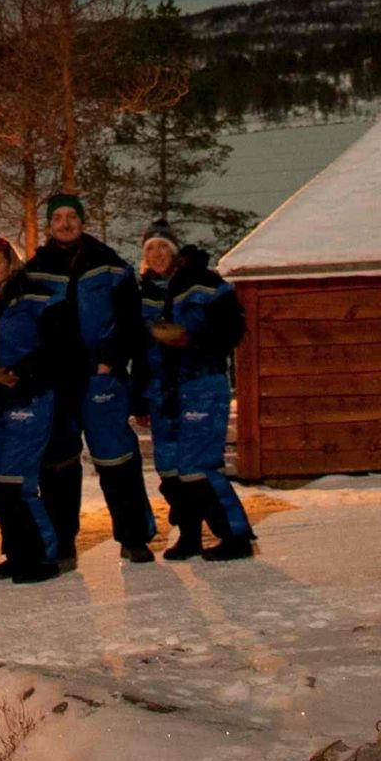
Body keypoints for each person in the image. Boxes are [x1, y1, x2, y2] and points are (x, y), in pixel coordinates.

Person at [22, 193, 158, 565]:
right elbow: (25, 328)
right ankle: (63, 543)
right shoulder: (34, 270)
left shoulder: (109, 265)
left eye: (71, 217)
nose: (65, 224)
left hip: (101, 379)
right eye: (58, 218)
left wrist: (111, 361)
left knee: (116, 458)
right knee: (59, 464)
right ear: (49, 225)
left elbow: (132, 323)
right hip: (57, 382)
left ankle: (134, 537)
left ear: (83, 221)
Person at [135, 223, 258, 561]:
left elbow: (232, 328)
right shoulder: (143, 292)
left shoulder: (204, 282)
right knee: (171, 469)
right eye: (150, 249)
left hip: (200, 383)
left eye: (163, 247)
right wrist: (140, 397)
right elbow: (138, 347)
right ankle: (189, 535)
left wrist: (193, 341)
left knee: (198, 466)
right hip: (162, 392)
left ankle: (235, 535)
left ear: (175, 250)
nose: (157, 254)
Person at [0, 232, 68, 584]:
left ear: (11, 264)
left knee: (16, 482)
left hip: (27, 396)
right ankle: (17, 551)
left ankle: (43, 555)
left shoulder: (36, 298)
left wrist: (21, 372)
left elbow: (56, 347)